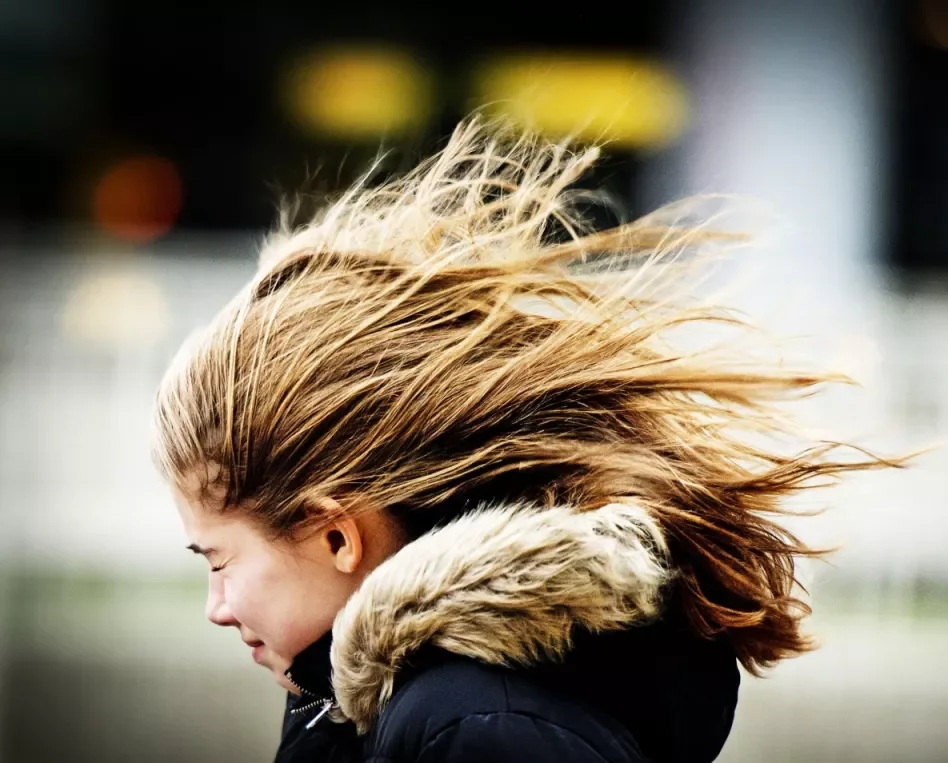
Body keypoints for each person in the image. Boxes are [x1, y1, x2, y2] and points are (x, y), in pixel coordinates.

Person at [152, 119, 893, 763]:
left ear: (337, 535)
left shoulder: (476, 728)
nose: (217, 606)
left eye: (220, 560)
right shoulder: (385, 698)